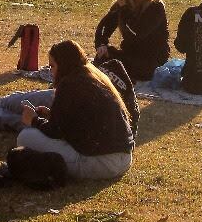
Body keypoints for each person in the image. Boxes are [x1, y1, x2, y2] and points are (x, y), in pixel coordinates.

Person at [15, 40, 134, 181]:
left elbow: (56, 132)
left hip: (101, 164)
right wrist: (51, 115)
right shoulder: (96, 79)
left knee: (26, 136)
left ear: (63, 64)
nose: (51, 71)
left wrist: (34, 120)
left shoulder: (69, 84)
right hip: (125, 160)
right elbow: (84, 123)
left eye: (52, 66)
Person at [94, 0, 170, 80]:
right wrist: (101, 44)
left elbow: (138, 32)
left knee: (127, 68)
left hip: (151, 58)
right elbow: (105, 26)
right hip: (130, 53)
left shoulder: (156, 7)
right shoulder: (123, 4)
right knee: (102, 57)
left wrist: (124, 9)